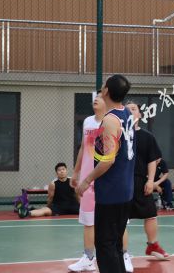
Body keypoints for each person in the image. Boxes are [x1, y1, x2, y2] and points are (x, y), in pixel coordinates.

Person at [76, 74, 135, 273]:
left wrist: (86, 180)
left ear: (107, 91)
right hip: (125, 189)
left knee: (105, 245)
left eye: (104, 85)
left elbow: (108, 160)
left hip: (111, 191)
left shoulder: (110, 121)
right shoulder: (127, 113)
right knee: (115, 244)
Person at [121, 101, 169, 273]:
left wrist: (150, 181)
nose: (130, 112)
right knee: (121, 219)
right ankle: (123, 253)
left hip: (141, 182)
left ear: (140, 114)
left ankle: (152, 245)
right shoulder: (119, 134)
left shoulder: (148, 137)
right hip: (122, 182)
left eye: (133, 109)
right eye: (126, 110)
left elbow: (152, 160)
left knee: (151, 214)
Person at [68, 94, 106, 272]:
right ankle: (89, 258)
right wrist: (76, 172)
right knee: (88, 220)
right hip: (87, 179)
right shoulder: (88, 122)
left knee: (113, 222)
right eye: (95, 97)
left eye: (100, 97)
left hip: (106, 179)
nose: (96, 99)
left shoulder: (112, 122)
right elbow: (83, 148)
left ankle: (122, 255)